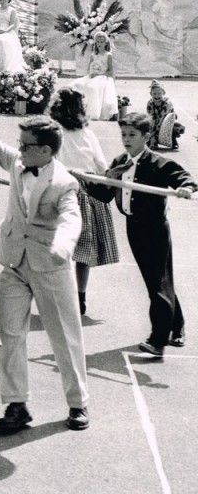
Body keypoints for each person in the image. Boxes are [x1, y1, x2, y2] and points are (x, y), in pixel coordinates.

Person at [0, 97, 90, 433]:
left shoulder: (65, 183)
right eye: (20, 145)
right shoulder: (18, 164)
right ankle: (16, 404)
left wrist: (62, 247)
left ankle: (78, 404)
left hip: (51, 267)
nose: (19, 150)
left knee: (65, 337)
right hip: (14, 264)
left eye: (26, 146)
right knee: (9, 336)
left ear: (47, 152)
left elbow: (71, 219)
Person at [89, 112, 195, 357]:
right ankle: (176, 325)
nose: (126, 139)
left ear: (146, 137)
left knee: (158, 283)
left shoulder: (158, 163)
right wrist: (104, 179)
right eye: (123, 134)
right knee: (155, 282)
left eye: (132, 135)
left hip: (155, 229)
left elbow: (184, 178)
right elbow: (104, 195)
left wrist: (185, 189)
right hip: (133, 228)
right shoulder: (119, 161)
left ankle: (158, 341)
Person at [49, 88, 118, 317]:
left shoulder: (54, 130)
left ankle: (71, 296)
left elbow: (52, 162)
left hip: (66, 190)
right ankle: (79, 296)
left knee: (65, 248)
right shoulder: (85, 132)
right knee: (83, 251)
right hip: (82, 190)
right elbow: (100, 164)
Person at [69, 31, 117, 121]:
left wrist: (99, 74)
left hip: (103, 77)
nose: (99, 44)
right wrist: (91, 74)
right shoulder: (93, 55)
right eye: (98, 42)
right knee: (77, 84)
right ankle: (77, 110)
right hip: (93, 76)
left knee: (93, 87)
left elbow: (110, 71)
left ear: (106, 43)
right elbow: (89, 69)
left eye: (101, 42)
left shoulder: (108, 55)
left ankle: (93, 112)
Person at [146, 80, 184, 151]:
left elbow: (161, 120)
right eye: (154, 94)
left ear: (164, 93)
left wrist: (154, 137)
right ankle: (153, 141)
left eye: (159, 93)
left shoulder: (167, 103)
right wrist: (151, 136)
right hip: (156, 123)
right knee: (145, 124)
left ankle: (173, 139)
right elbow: (152, 119)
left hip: (167, 122)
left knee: (175, 126)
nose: (157, 96)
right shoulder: (150, 103)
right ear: (151, 94)